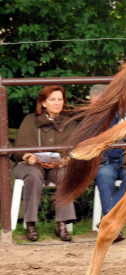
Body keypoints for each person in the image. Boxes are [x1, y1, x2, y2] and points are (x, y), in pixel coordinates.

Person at [13, 85, 78, 241]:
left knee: (65, 175)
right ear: (43, 102)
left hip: (58, 167)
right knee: (34, 175)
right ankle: (30, 224)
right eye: (52, 99)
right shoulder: (30, 120)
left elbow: (76, 150)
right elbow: (17, 151)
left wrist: (64, 161)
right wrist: (29, 157)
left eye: (60, 99)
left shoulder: (70, 123)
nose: (57, 103)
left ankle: (61, 224)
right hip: (31, 166)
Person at [89, 84, 126, 241]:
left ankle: (109, 221)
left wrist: (125, 129)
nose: (100, 107)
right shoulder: (90, 120)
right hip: (105, 161)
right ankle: (114, 226)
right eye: (95, 104)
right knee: (104, 177)